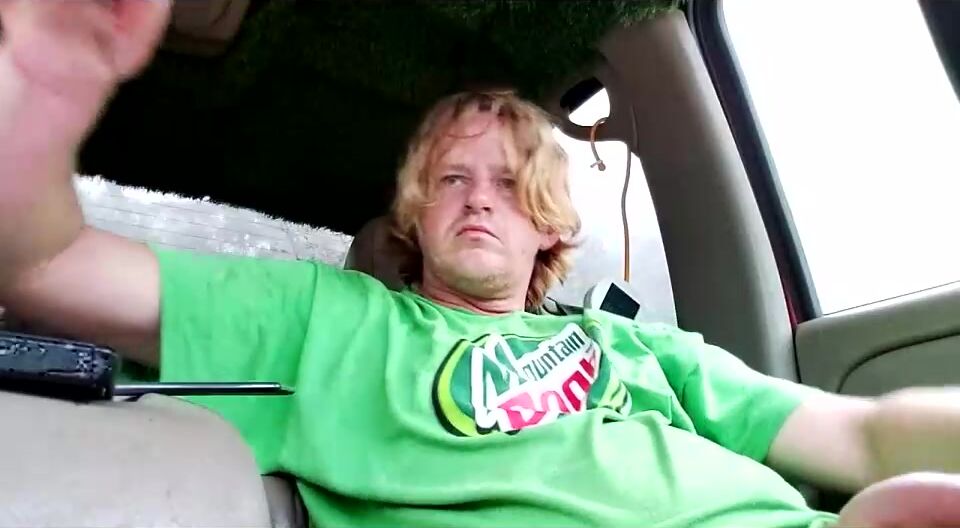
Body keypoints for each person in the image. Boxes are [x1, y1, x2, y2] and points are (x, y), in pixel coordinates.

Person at [1, 2, 960, 527]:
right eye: (451, 178)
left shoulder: (640, 350)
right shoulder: (333, 321)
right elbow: (44, 265)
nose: (478, 197)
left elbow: (866, 434)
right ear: (414, 215)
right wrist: (38, 104)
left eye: (509, 183)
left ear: (548, 225)